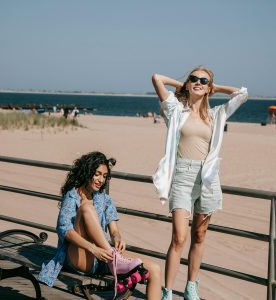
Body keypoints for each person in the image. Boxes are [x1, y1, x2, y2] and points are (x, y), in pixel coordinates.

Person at [151, 66, 248, 300]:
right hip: (182, 177)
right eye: (194, 79)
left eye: (203, 81)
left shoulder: (216, 114)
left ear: (209, 88)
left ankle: (191, 287)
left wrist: (215, 88)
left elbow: (242, 94)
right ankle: (167, 292)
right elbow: (157, 78)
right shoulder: (175, 109)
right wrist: (182, 85)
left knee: (200, 236)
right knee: (179, 238)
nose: (198, 82)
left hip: (208, 178)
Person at [38, 151, 161, 299]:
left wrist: (117, 238)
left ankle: (114, 260)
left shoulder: (104, 199)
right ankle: (114, 260)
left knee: (155, 269)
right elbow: (66, 231)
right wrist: (93, 249)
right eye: (97, 174)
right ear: (87, 171)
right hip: (79, 256)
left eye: (104, 176)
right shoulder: (72, 195)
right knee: (86, 208)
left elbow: (114, 230)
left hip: (103, 258)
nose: (101, 180)